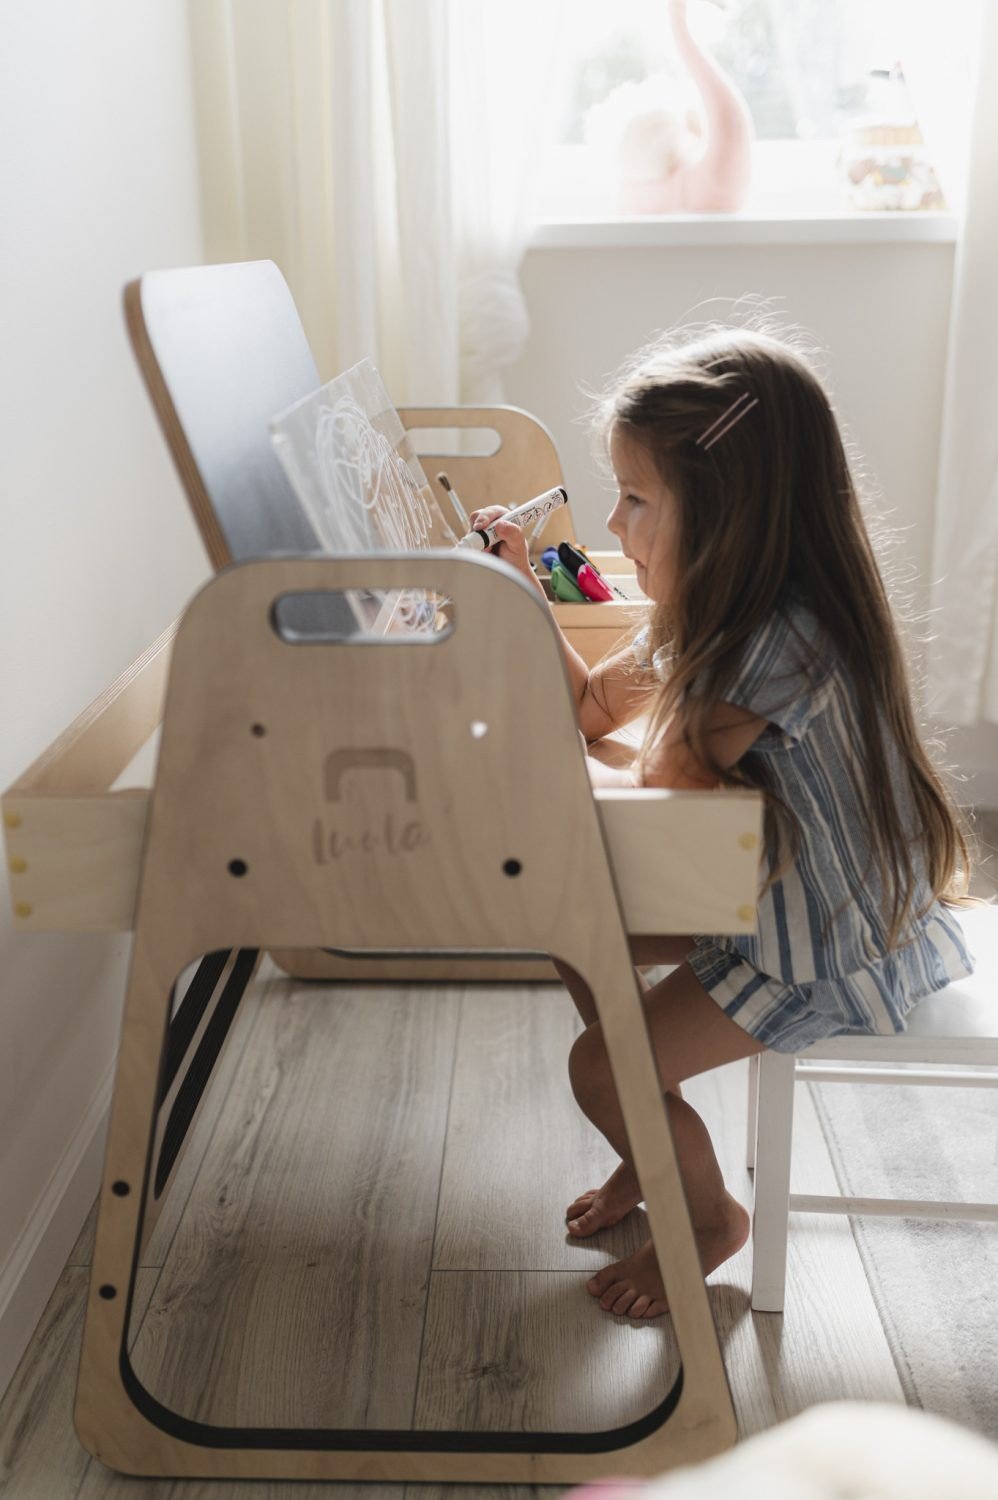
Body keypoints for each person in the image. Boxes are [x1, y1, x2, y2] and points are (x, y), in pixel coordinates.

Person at [467, 325, 977, 1321]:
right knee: (574, 929)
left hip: (825, 940)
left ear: (727, 513)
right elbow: (591, 712)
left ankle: (704, 1218)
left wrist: (652, 644)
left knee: (599, 1063)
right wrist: (519, 580)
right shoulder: (716, 605)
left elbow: (663, 775)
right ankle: (648, 1146)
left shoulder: (774, 637)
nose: (612, 525)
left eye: (635, 500)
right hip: (773, 895)